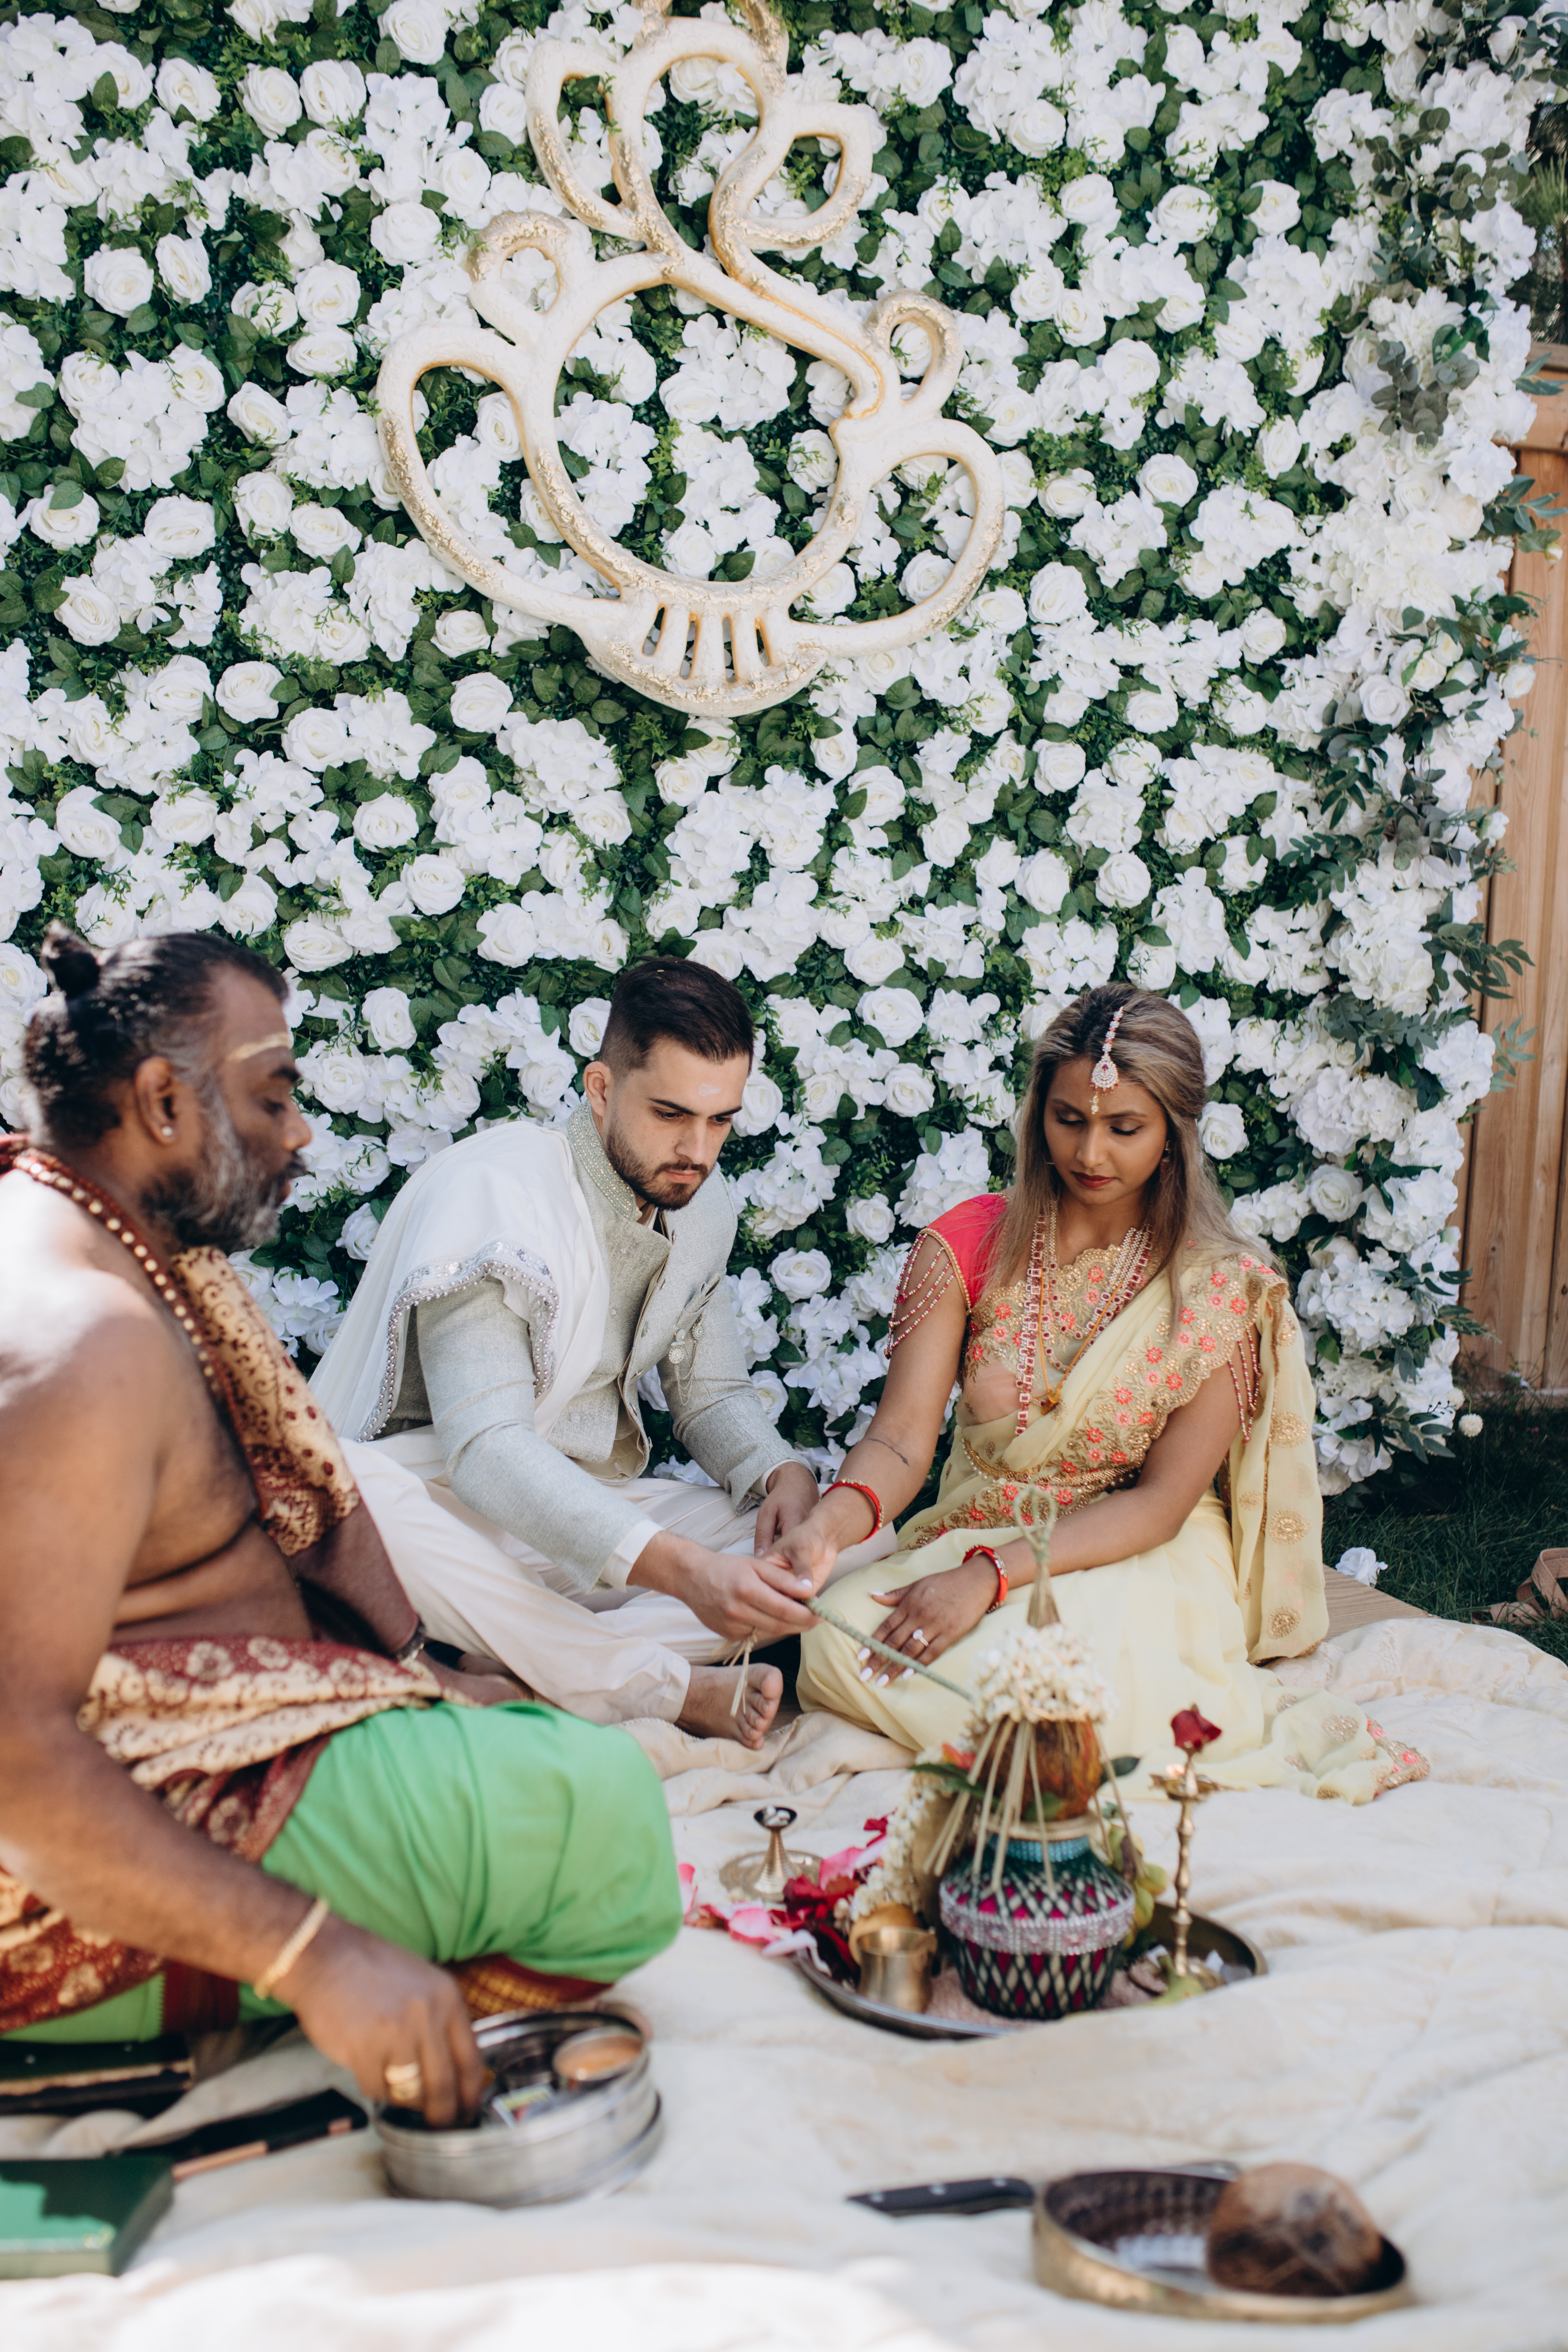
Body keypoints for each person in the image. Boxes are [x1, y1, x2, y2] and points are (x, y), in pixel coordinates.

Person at [0, 925, 681, 2120]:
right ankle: (286, 1991)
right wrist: (314, 1953)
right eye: (273, 1096)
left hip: (236, 1727)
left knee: (518, 1725)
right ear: (163, 1101)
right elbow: (14, 1754)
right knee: (600, 1809)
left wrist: (414, 1681)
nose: (302, 1131)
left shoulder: (107, 1236)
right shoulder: (82, 1337)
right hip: (120, 1836)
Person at [784, 986, 1428, 1804]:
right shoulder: (967, 1243)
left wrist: (988, 1578)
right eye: (1068, 1119)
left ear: (1174, 1133)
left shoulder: (1220, 1286)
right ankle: (1000, 1738)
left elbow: (1160, 1504)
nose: (1090, 1153)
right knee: (836, 1637)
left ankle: (991, 1737)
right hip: (982, 1523)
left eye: (1124, 1128)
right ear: (1038, 1116)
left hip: (1144, 1552)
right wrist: (828, 1526)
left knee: (1073, 1692)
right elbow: (901, 1441)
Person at [311, 957, 824, 1751]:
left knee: (835, 1543)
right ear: (601, 1088)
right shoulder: (497, 1194)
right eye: (670, 1113)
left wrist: (778, 1472)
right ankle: (655, 1684)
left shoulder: (700, 1203)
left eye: (720, 1120)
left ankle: (529, 1667)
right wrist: (685, 1573)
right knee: (344, 1496)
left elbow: (709, 1391)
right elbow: (487, 1451)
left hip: (592, 1515)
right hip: (447, 1515)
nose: (696, 1149)